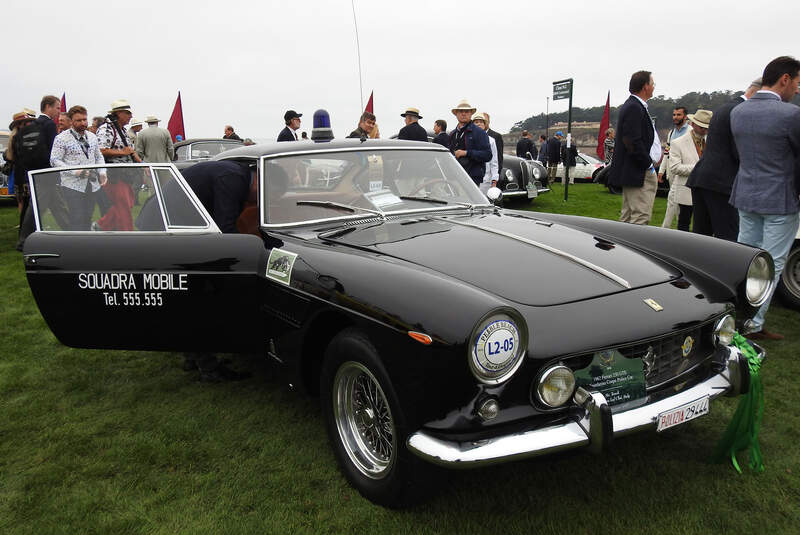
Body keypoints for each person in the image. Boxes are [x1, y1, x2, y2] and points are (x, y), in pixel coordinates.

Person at [729, 56, 800, 341]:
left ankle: (738, 316)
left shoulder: (738, 112)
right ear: (784, 79)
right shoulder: (790, 115)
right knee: (772, 263)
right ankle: (753, 323)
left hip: (746, 193)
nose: (796, 89)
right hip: (780, 198)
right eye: (796, 82)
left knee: (745, 258)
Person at [688, 78, 761, 241]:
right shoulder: (742, 111)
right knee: (728, 239)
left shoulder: (725, 108)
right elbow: (739, 150)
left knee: (701, 238)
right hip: (722, 182)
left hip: (703, 177)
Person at [607, 70, 661, 225]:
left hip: (635, 170)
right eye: (652, 84)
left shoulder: (635, 106)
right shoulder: (634, 107)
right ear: (645, 86)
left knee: (629, 217)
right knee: (639, 217)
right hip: (638, 171)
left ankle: (621, 247)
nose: (653, 87)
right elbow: (631, 141)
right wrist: (648, 164)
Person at [16, 95, 64, 250]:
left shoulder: (32, 125)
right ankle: (23, 241)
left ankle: (71, 230)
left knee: (56, 205)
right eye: (57, 107)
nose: (59, 111)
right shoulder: (49, 124)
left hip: (33, 171)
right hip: (46, 172)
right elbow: (53, 150)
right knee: (35, 206)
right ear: (48, 106)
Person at [49, 105, 107, 230]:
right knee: (77, 217)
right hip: (72, 185)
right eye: (78, 120)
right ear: (71, 121)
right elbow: (54, 160)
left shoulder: (92, 136)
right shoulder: (61, 138)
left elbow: (98, 156)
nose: (83, 123)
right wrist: (75, 171)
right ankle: (76, 246)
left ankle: (86, 244)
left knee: (87, 216)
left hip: (92, 183)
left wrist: (102, 172)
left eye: (84, 119)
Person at [95, 99, 142, 231]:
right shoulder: (105, 129)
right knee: (123, 206)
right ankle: (126, 233)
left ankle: (102, 225)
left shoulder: (122, 130)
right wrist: (121, 152)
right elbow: (101, 150)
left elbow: (131, 151)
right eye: (127, 113)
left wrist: (144, 165)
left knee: (129, 202)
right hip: (113, 174)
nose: (130, 116)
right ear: (118, 113)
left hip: (125, 174)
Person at [666, 109, 712, 231]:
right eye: (702, 127)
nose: (704, 130)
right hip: (686, 190)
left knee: (704, 226)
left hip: (707, 191)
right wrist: (699, 168)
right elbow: (675, 168)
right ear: (693, 124)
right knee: (683, 225)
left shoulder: (710, 141)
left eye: (707, 128)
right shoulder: (678, 143)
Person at [448, 99, 492, 186]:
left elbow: (487, 155)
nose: (463, 113)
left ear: (471, 114)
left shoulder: (479, 132)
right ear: (456, 114)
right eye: (461, 111)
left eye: (467, 111)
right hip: (454, 176)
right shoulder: (452, 134)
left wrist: (466, 153)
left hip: (472, 177)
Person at [659, 106, 691, 228]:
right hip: (671, 171)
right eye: (674, 115)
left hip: (684, 171)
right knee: (675, 201)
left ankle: (665, 228)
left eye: (678, 115)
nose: (675, 117)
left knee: (673, 200)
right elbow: (666, 153)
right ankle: (680, 228)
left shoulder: (690, 132)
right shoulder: (671, 133)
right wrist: (661, 170)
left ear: (685, 116)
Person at [472, 112, 498, 194]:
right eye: (476, 122)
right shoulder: (468, 138)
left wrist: (494, 180)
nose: (479, 124)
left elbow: (494, 161)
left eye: (481, 122)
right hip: (471, 177)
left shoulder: (491, 140)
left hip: (486, 179)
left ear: (485, 124)